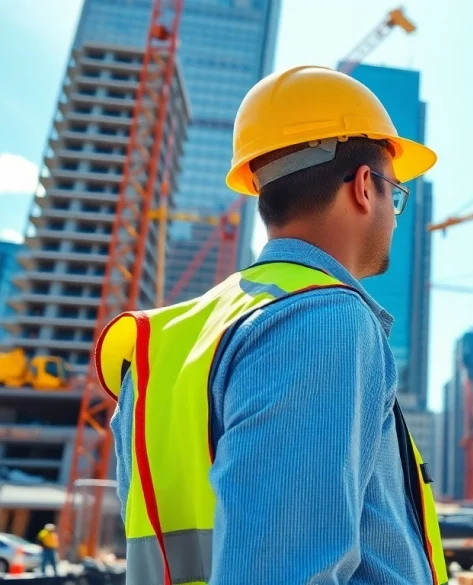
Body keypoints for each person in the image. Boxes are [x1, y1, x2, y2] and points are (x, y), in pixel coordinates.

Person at [98, 66, 447, 584]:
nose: (395, 215)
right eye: (396, 194)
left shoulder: (172, 339)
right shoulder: (322, 319)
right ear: (363, 187)